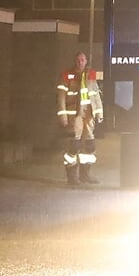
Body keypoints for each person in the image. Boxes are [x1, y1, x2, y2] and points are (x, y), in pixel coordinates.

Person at [57, 51, 104, 185]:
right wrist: (63, 115)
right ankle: (72, 177)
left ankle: (85, 175)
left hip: (89, 114)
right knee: (74, 145)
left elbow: (96, 95)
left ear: (86, 61)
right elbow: (61, 97)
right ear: (75, 61)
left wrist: (99, 113)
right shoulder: (67, 75)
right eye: (78, 60)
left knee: (89, 145)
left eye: (82, 60)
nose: (80, 62)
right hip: (75, 115)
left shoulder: (91, 75)